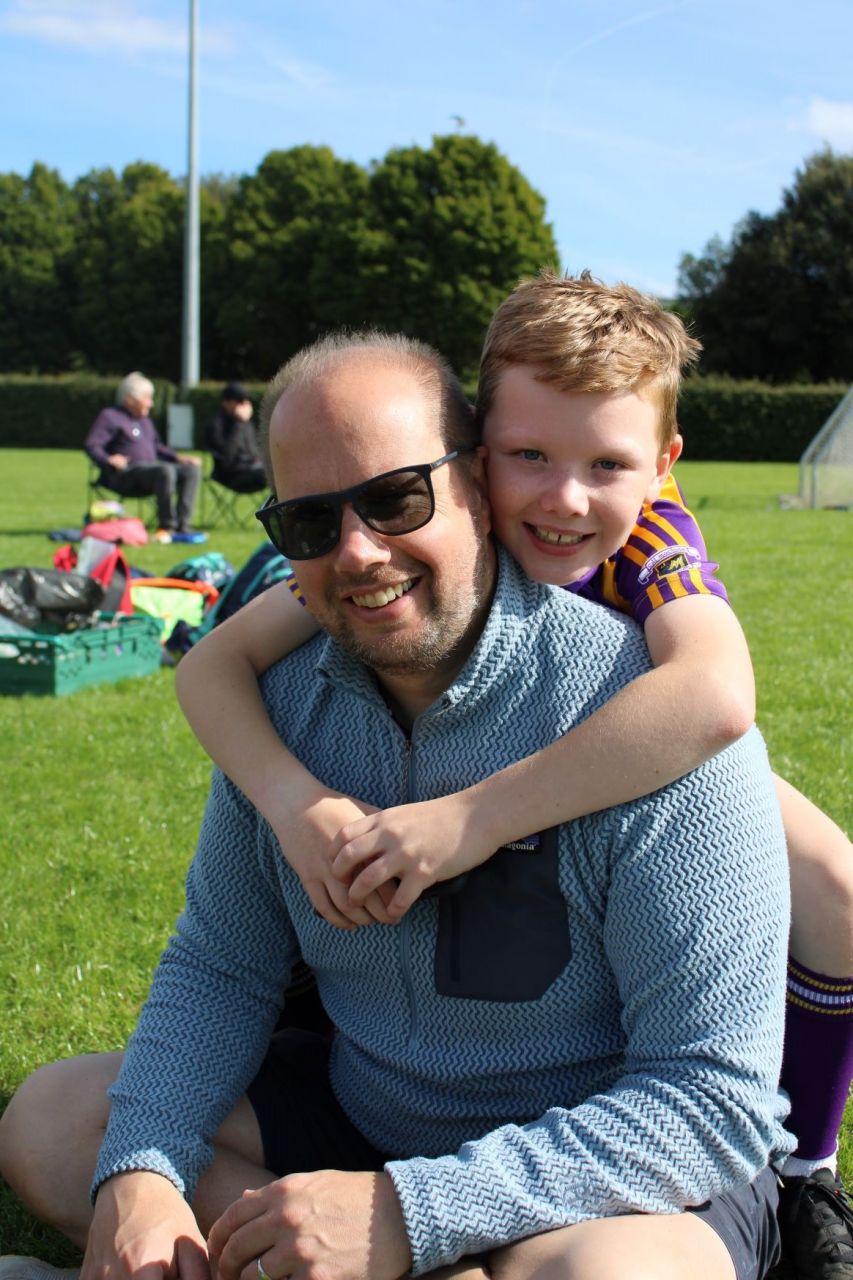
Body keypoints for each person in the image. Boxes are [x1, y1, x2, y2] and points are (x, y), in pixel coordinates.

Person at [0, 332, 792, 1280]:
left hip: (599, 1174)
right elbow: (222, 966)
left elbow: (712, 1100)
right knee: (57, 1125)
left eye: (394, 498)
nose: (359, 554)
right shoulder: (282, 706)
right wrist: (142, 1175)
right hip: (363, 1121)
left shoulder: (651, 722)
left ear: (476, 486)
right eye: (310, 524)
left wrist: (416, 1213)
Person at [174, 274, 853, 1280]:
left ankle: (804, 1166)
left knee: (834, 887)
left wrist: (474, 817)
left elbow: (709, 696)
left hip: (637, 735)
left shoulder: (656, 546)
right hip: (422, 1003)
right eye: (527, 454)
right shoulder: (386, 549)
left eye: (606, 464)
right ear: (476, 447)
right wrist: (293, 799)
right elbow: (213, 663)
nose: (562, 496)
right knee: (78, 1114)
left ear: (662, 468)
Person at [84, 372, 202, 542]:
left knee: (191, 471)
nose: (151, 403)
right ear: (130, 399)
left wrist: (179, 458)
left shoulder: (144, 421)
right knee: (164, 470)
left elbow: (157, 447)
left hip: (152, 472)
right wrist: (108, 459)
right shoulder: (110, 417)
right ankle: (167, 526)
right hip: (124, 475)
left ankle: (183, 525)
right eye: (147, 398)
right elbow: (92, 445)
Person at [205, 381, 267, 494]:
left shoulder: (246, 424)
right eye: (239, 401)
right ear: (226, 402)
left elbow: (254, 452)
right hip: (231, 475)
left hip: (253, 468)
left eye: (245, 401)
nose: (243, 405)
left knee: (278, 470)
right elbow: (227, 457)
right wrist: (239, 423)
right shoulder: (216, 425)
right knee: (272, 474)